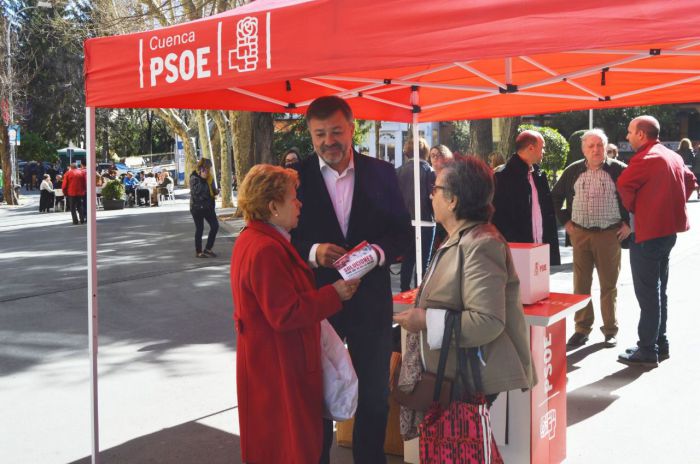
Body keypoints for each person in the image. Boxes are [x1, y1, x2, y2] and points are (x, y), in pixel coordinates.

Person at [291, 96, 411, 464]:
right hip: (318, 302)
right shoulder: (297, 179)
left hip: (371, 301)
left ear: (352, 127)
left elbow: (402, 235)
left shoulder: (381, 172)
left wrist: (376, 254)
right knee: (317, 393)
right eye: (320, 133)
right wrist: (312, 251)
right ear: (310, 135)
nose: (329, 141)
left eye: (337, 131)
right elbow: (283, 236)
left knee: (374, 396)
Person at [393, 157, 536, 430]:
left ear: (453, 200)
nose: (430, 194)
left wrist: (425, 320)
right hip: (455, 375)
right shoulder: (463, 236)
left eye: (435, 188)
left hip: (465, 379)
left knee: (460, 451)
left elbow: (487, 320)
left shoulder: (481, 243)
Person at [231, 164, 359, 464]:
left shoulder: (257, 240)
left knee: (279, 445)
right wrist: (334, 294)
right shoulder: (265, 248)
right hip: (280, 365)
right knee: (290, 447)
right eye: (292, 198)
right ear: (273, 206)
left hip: (270, 362)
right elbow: (285, 313)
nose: (299, 203)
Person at [616, 116, 697, 367]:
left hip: (648, 233)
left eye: (630, 132)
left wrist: (638, 209)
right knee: (659, 290)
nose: (627, 136)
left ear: (641, 134)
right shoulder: (673, 155)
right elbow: (691, 181)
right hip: (667, 232)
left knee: (648, 294)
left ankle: (648, 349)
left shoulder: (646, 157)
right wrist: (666, 205)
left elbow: (624, 184)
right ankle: (660, 343)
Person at [551, 129, 631, 349]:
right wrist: (566, 222)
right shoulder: (573, 170)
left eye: (600, 145)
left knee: (609, 286)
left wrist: (629, 224)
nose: (596, 150)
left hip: (609, 234)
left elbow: (637, 198)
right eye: (591, 146)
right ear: (583, 149)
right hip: (581, 235)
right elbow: (555, 197)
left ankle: (610, 330)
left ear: (606, 147)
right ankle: (582, 329)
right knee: (581, 285)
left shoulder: (619, 170)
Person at [492, 130, 561, 266]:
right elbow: (499, 217)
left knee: (539, 287)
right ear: (531, 148)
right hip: (516, 251)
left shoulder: (539, 174)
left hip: (539, 248)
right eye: (543, 147)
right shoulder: (503, 176)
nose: (544, 152)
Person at [396, 137, 435, 292]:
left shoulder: (398, 171)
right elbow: (433, 196)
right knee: (423, 262)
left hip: (406, 222)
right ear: (425, 151)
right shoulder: (428, 171)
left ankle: (404, 292)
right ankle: (421, 293)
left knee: (408, 260)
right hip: (425, 221)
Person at [190, 158, 219, 258]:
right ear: (201, 168)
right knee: (200, 229)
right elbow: (196, 193)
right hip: (197, 208)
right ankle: (199, 252)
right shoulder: (194, 178)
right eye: (207, 169)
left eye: (209, 169)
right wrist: (202, 179)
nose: (208, 171)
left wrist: (216, 191)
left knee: (215, 226)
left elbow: (212, 191)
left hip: (209, 207)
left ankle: (208, 248)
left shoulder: (210, 178)